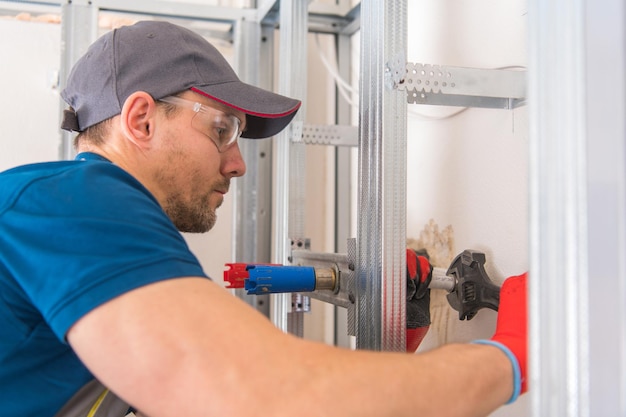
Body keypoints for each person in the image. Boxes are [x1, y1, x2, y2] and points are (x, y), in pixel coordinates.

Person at [0, 20, 527, 417]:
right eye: (223, 130)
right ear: (141, 119)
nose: (237, 163)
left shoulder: (62, 208)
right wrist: (510, 356)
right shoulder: (78, 203)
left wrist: (406, 332)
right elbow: (264, 396)